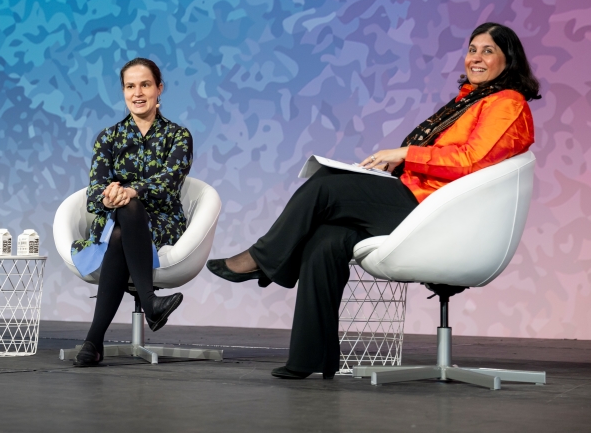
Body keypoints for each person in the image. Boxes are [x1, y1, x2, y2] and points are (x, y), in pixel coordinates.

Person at [207, 22, 540, 379]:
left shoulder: (508, 104)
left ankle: (262, 258)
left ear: (510, 60)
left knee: (324, 187)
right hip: (419, 200)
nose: (475, 58)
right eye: (472, 49)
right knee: (325, 241)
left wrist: (406, 154)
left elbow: (469, 160)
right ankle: (310, 358)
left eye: (488, 51)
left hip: (435, 212)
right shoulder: (471, 101)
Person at [69, 58, 193, 367]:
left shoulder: (179, 136)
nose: (137, 93)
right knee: (123, 219)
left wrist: (131, 190)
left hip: (161, 224)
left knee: (128, 214)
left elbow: (168, 182)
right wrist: (110, 198)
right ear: (124, 91)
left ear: (158, 89)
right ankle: (151, 303)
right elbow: (94, 192)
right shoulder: (108, 138)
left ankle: (93, 342)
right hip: (114, 221)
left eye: (145, 85)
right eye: (130, 86)